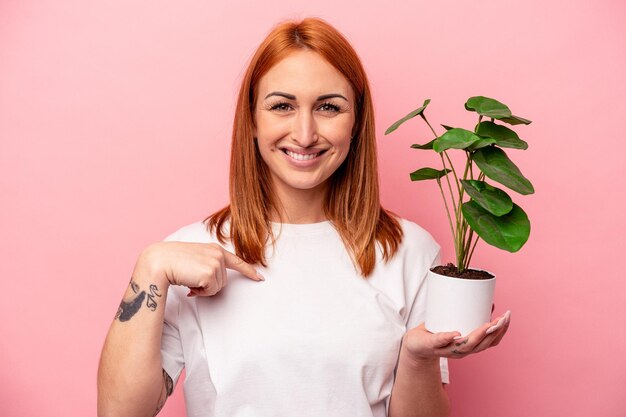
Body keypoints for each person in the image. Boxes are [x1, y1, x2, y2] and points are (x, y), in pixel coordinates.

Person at [97, 17, 510, 417]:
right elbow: (118, 414)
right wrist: (151, 266)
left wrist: (417, 358)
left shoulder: (411, 250)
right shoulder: (188, 253)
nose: (305, 133)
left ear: (356, 122)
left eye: (329, 107)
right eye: (282, 106)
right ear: (253, 120)